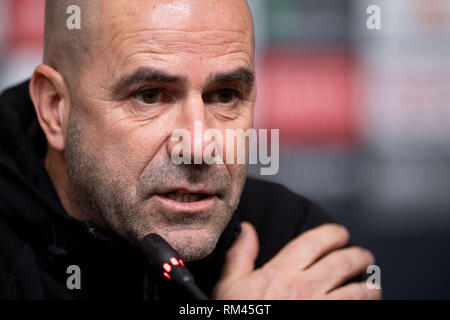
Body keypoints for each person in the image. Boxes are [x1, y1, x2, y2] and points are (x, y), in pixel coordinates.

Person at [0, 0, 381, 300]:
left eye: (225, 95)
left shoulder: (291, 245)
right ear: (55, 108)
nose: (199, 146)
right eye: (150, 96)